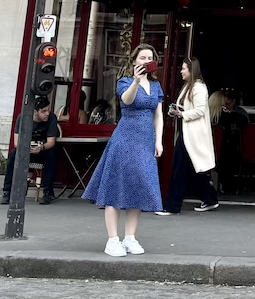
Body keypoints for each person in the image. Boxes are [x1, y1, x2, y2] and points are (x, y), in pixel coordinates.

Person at [82, 44, 164, 256]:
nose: (146, 60)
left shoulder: (156, 86)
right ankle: (112, 239)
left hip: (146, 139)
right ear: (135, 60)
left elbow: (159, 115)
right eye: (142, 57)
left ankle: (130, 237)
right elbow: (126, 100)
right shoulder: (125, 81)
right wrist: (136, 81)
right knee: (115, 186)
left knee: (139, 185)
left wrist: (159, 141)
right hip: (126, 137)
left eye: (150, 57)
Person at [165, 57, 219, 214]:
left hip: (192, 136)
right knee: (194, 170)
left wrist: (181, 113)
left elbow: (200, 110)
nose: (181, 71)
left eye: (184, 69)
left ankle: (173, 207)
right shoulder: (190, 86)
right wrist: (177, 110)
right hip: (187, 134)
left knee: (179, 170)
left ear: (191, 70)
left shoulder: (198, 88)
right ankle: (210, 199)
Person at [1, 97, 60, 204]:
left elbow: (51, 142)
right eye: (43, 111)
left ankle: (47, 192)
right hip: (25, 150)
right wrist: (27, 149)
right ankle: (7, 191)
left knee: (52, 153)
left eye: (48, 110)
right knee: (13, 155)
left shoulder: (51, 118)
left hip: (42, 150)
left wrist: (41, 147)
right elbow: (16, 142)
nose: (47, 113)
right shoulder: (23, 117)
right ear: (35, 112)